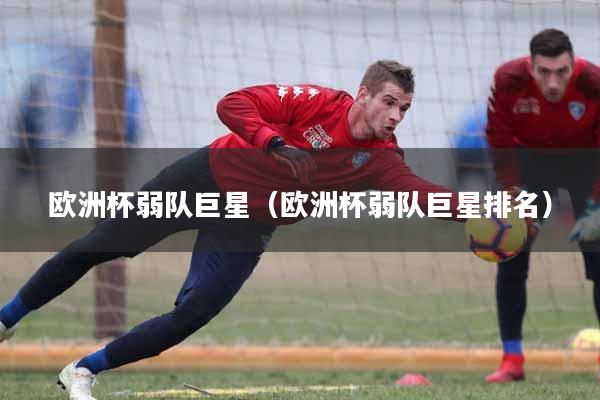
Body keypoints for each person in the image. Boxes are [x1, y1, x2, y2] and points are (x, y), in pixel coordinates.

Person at [0, 60, 464, 400]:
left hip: (249, 223)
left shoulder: (381, 159)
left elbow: (423, 194)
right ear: (363, 95)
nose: (395, 116)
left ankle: (82, 371)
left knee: (193, 313)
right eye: (389, 102)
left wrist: (484, 213)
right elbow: (233, 103)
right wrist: (273, 143)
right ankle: (6, 319)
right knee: (100, 245)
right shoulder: (317, 102)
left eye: (404, 109)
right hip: (205, 178)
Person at [484, 29, 600, 383]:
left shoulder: (594, 84)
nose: (552, 82)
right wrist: (512, 192)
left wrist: (597, 205)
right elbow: (499, 139)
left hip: (586, 165)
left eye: (561, 72)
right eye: (544, 72)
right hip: (531, 166)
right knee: (511, 254)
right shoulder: (508, 80)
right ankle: (512, 360)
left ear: (573, 66)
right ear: (530, 66)